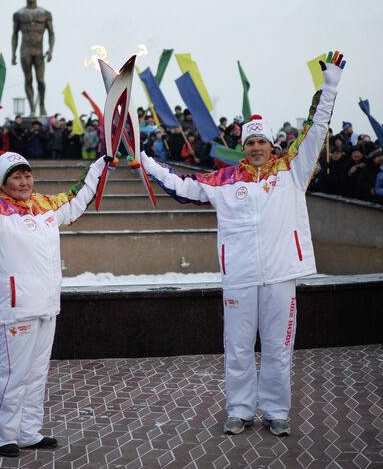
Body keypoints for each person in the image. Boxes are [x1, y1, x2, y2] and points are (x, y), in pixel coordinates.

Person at [140, 51, 346, 437]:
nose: (255, 148)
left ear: (271, 146)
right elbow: (183, 188)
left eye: (261, 142)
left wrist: (330, 85)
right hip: (239, 276)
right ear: (242, 146)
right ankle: (239, 409)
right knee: (237, 348)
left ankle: (276, 410)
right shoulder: (224, 180)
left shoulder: (291, 172)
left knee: (278, 348)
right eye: (249, 142)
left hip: (281, 274)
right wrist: (147, 162)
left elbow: (316, 129)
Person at [0, 125, 107, 457]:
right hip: (15, 309)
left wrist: (100, 165)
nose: (24, 182)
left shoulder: (46, 207)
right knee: (13, 374)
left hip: (47, 306)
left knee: (37, 374)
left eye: (27, 175)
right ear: (4, 182)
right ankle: (2, 434)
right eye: (16, 177)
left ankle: (28, 431)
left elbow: (77, 198)